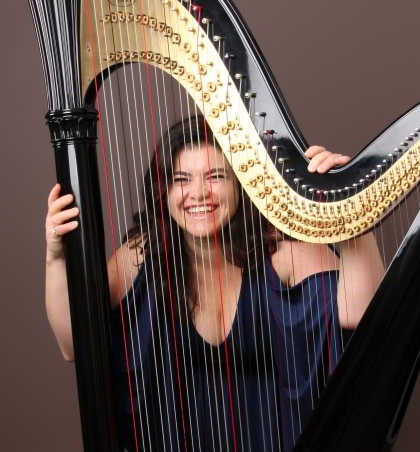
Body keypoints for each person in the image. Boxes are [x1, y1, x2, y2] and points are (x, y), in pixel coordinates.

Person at [45, 117, 384, 452]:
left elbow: (363, 315)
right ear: (164, 191)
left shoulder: (281, 247)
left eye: (216, 177)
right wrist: (56, 257)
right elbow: (74, 345)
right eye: (181, 180)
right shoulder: (143, 251)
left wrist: (354, 208)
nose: (197, 194)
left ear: (242, 184)